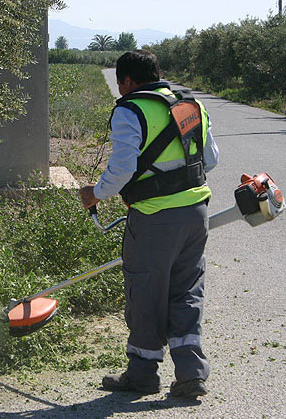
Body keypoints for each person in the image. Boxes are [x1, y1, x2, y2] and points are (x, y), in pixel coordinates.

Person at [79, 50, 219, 399]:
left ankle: (142, 375)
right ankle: (191, 375)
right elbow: (211, 160)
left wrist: (96, 194)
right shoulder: (191, 106)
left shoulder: (130, 109)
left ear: (127, 81)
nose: (120, 91)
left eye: (119, 85)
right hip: (195, 213)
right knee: (186, 291)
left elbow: (123, 168)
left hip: (155, 217)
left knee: (145, 292)